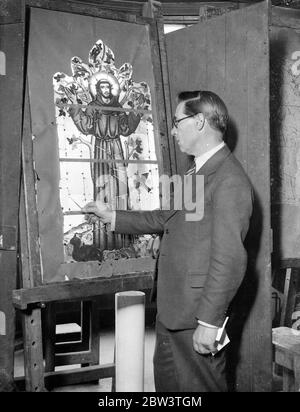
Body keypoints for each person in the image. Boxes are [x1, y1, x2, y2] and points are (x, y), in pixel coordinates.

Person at [82, 90, 253, 392]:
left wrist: (210, 323)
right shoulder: (199, 171)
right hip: (173, 311)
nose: (173, 130)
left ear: (200, 121)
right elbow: (167, 218)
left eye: (178, 122)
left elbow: (230, 258)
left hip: (197, 317)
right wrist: (113, 216)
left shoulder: (229, 180)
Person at [68, 72, 142, 249]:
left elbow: (126, 128)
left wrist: (137, 111)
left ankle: (125, 241)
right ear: (97, 89)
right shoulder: (93, 106)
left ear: (112, 88)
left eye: (108, 86)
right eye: (102, 86)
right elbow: (86, 125)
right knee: (103, 189)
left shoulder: (117, 106)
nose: (105, 89)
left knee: (120, 188)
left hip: (117, 149)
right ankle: (103, 241)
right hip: (100, 149)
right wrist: (75, 106)